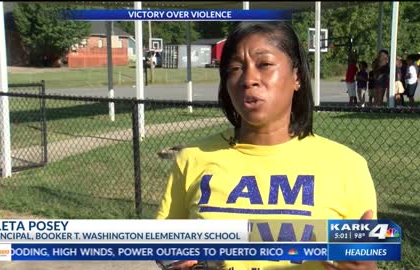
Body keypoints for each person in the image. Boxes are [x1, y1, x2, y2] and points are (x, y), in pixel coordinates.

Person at [156, 22, 377, 270]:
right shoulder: (192, 158)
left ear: (297, 77)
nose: (249, 79)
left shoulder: (347, 167)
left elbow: (362, 257)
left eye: (265, 65)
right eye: (236, 68)